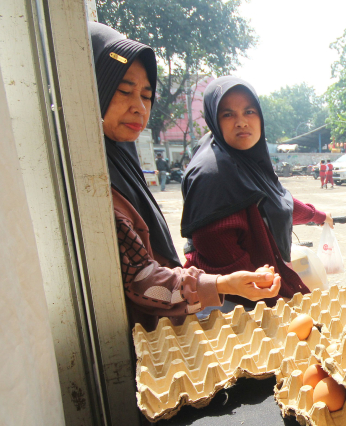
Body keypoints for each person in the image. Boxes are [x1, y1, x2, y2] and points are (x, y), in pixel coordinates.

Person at [88, 23, 280, 330]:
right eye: (124, 91)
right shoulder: (94, 183)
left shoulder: (118, 160)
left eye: (147, 95)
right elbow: (142, 282)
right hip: (138, 333)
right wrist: (221, 284)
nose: (139, 108)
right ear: (91, 89)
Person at [181, 76, 334, 308]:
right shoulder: (214, 174)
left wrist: (318, 216)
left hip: (262, 289)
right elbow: (219, 249)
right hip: (235, 302)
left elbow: (277, 203)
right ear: (214, 119)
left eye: (249, 111)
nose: (241, 122)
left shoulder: (248, 162)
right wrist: (274, 296)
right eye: (228, 114)